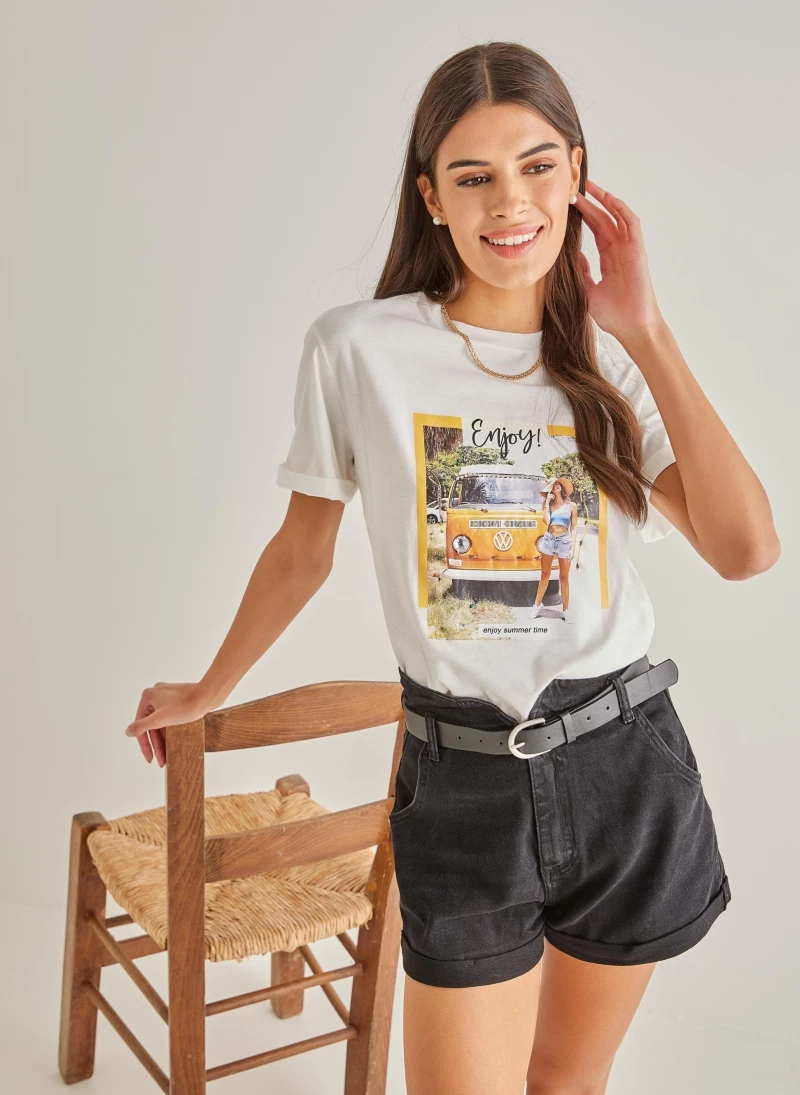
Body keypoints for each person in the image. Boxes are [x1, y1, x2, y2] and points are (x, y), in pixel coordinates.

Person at [124, 41, 780, 1095]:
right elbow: (301, 551)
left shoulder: (612, 359)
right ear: (430, 196)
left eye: (536, 166)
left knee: (565, 1082)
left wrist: (646, 330)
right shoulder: (358, 350)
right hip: (460, 777)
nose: (509, 202)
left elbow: (747, 550)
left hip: (623, 765)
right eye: (472, 176)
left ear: (577, 174)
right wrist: (210, 687)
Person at [529, 476, 578, 623]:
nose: (556, 485)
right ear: (549, 490)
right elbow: (547, 521)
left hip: (565, 542)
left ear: (562, 487)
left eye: (558, 484)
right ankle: (537, 605)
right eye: (552, 485)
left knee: (564, 577)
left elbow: (574, 528)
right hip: (549, 540)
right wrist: (547, 504)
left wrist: (572, 548)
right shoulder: (546, 504)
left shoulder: (572, 506)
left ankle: (566, 610)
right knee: (545, 574)